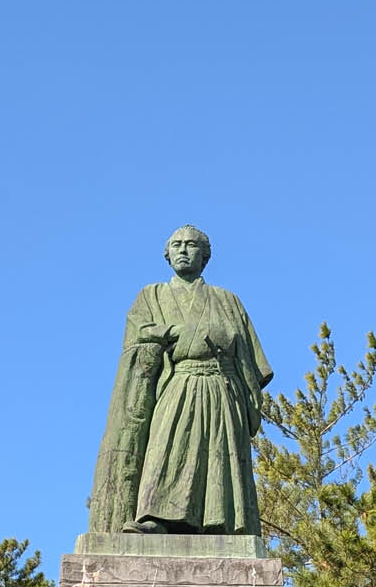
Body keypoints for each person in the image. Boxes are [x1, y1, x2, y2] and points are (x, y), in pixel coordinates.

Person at [86, 226, 274, 538]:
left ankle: (218, 522)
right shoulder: (151, 295)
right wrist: (174, 332)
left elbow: (253, 363)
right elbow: (138, 334)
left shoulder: (227, 300)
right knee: (165, 448)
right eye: (176, 245)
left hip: (220, 387)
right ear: (167, 254)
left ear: (205, 256)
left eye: (191, 245)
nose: (183, 250)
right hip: (177, 382)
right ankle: (155, 517)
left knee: (217, 455)